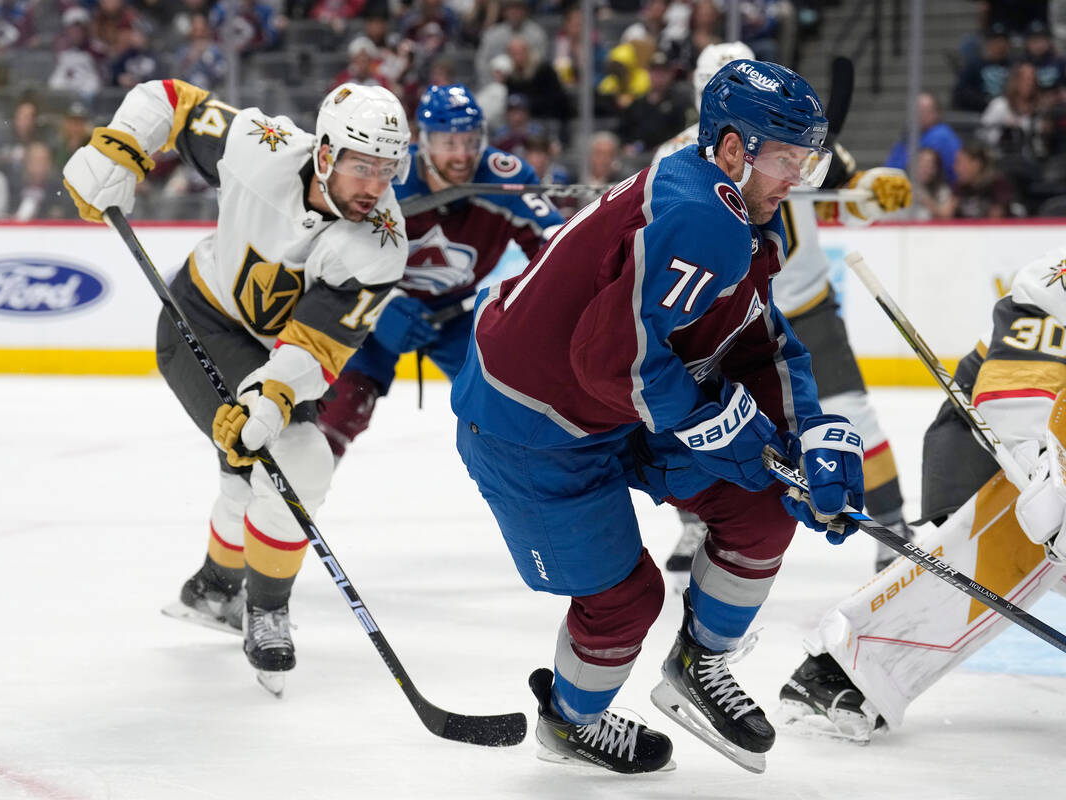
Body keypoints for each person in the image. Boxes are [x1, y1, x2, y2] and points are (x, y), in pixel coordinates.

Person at [452, 58, 864, 774]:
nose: (797, 178)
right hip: (529, 426)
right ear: (733, 149)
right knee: (625, 596)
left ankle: (699, 664)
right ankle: (571, 723)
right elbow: (611, 364)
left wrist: (813, 436)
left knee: (768, 503)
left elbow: (759, 342)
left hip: (616, 413)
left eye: (807, 161)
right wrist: (722, 427)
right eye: (785, 159)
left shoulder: (731, 209)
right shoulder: (705, 218)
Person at [62, 79, 410, 690]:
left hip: (280, 352)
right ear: (325, 153)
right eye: (362, 166)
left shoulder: (380, 244)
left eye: (387, 169)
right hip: (198, 321)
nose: (375, 187)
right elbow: (168, 98)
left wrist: (270, 395)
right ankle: (265, 608)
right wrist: (119, 147)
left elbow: (317, 346)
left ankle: (215, 588)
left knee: (274, 458)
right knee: (294, 459)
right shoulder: (260, 144)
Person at [778, 246, 1066, 743]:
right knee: (1007, 535)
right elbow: (1018, 392)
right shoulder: (1056, 280)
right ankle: (844, 670)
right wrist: (1050, 481)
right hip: (1000, 445)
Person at [656, 42, 915, 583]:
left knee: (852, 415)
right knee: (695, 420)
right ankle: (697, 523)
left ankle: (892, 526)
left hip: (804, 302)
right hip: (728, 315)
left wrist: (868, 191)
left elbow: (843, 183)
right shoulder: (677, 158)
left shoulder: (786, 138)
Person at [315, 83, 563, 462]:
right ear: (423, 141)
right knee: (341, 406)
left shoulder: (504, 176)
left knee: (509, 405)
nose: (461, 154)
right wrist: (380, 306)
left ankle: (537, 493)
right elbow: (332, 249)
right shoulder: (387, 176)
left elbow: (556, 248)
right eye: (448, 142)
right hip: (374, 303)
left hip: (457, 314)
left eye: (469, 140)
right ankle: (291, 496)